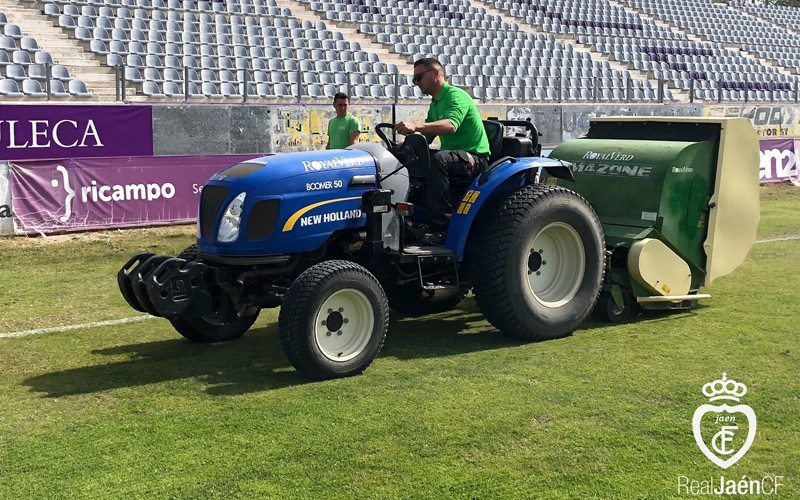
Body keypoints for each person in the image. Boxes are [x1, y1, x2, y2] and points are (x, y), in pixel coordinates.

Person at [395, 58, 490, 245]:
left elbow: (451, 125)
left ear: (436, 73)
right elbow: (426, 138)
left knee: (439, 160)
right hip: (455, 158)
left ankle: (441, 228)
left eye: (419, 77)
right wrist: (401, 148)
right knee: (411, 159)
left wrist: (416, 126)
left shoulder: (456, 96)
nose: (416, 83)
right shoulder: (436, 102)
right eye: (414, 79)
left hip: (474, 158)